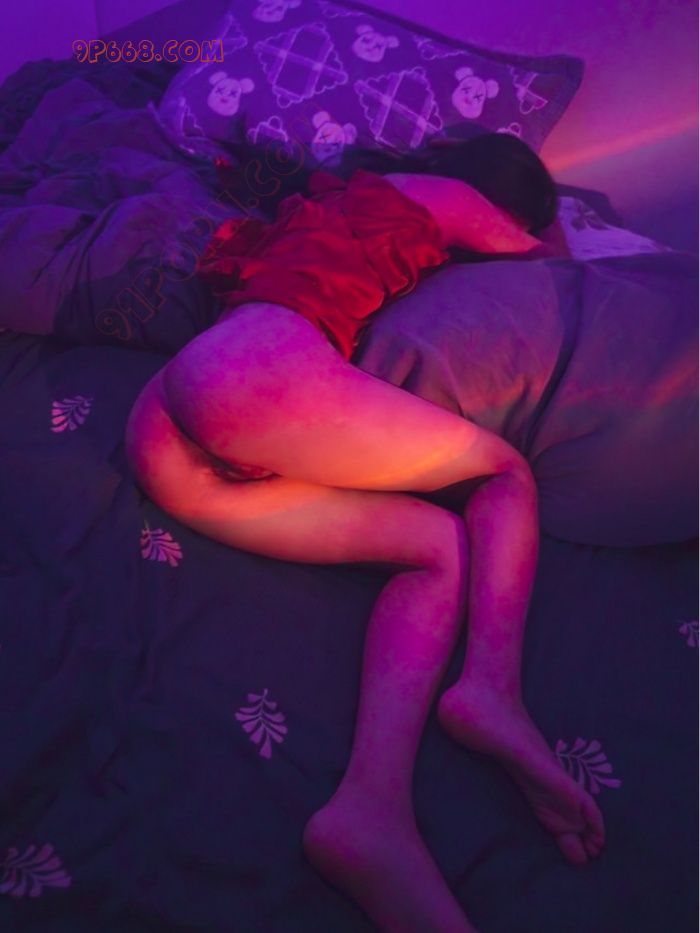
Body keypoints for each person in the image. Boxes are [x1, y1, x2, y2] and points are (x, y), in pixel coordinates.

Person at [124, 132, 602, 933]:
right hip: (256, 372)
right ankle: (492, 686)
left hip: (165, 424)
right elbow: (544, 259)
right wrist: (553, 214)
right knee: (504, 475)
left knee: (437, 548)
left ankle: (370, 810)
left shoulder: (328, 202)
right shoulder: (448, 198)